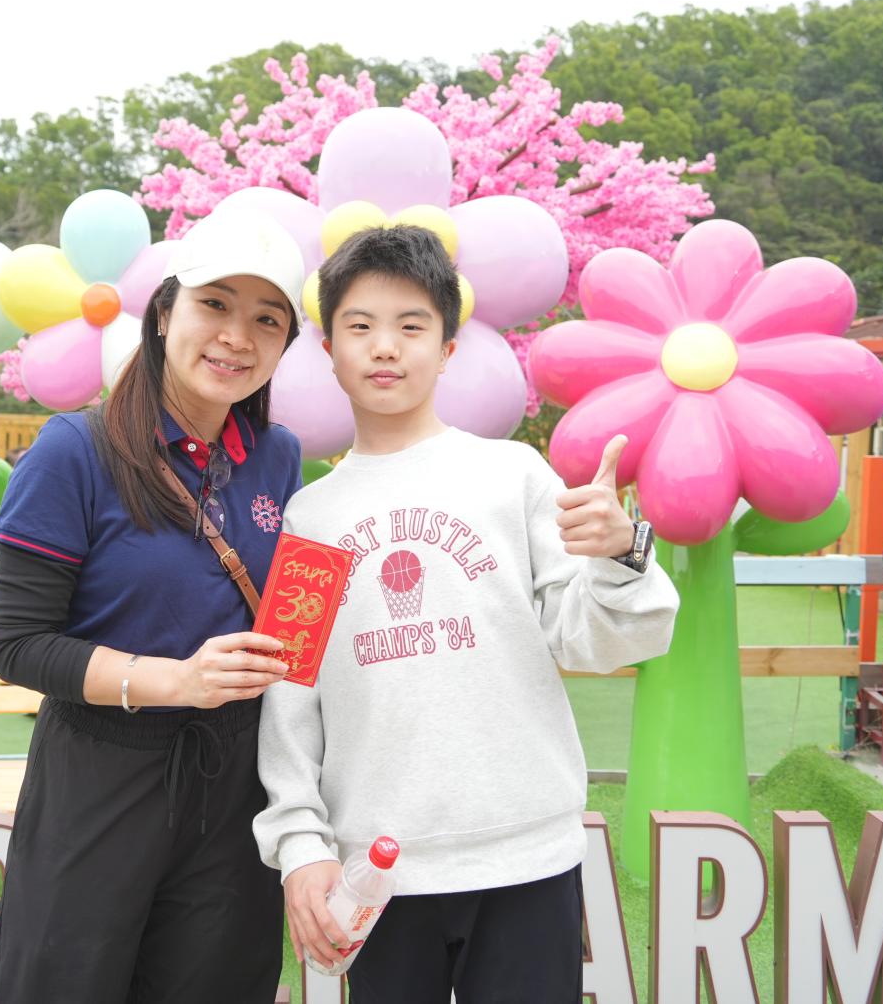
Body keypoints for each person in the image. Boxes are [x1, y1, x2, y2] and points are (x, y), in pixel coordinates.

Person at [253, 225, 680, 1003]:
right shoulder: (308, 520)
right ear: (328, 348)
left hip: (527, 855)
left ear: (448, 347)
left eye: (412, 325)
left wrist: (622, 554)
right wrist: (301, 843)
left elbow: (594, 640)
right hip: (378, 869)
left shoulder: (513, 475)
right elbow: (290, 700)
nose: (386, 346)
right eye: (361, 325)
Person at [0, 212, 307, 1003]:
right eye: (215, 304)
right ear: (164, 313)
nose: (237, 337)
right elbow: (19, 643)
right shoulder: (74, 451)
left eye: (267, 320)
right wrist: (175, 680)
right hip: (101, 773)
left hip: (236, 782)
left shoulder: (279, 457)